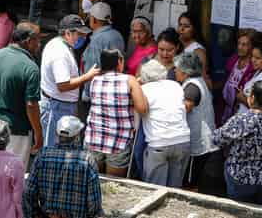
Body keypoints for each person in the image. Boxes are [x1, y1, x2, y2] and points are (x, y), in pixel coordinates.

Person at [213, 80, 262, 207]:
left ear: (252, 98)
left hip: (242, 178)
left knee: (240, 212)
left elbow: (217, 139)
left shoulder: (242, 120)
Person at [0, 22, 43, 170]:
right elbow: (31, 105)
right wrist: (38, 133)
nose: (39, 44)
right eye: (38, 40)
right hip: (17, 132)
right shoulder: (31, 67)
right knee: (12, 179)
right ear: (29, 41)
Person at [23, 116, 103, 218]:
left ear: (57, 134)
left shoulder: (43, 155)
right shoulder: (87, 160)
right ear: (78, 135)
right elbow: (94, 203)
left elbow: (29, 193)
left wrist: (36, 214)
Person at [84, 49, 147, 177]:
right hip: (118, 141)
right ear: (119, 62)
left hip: (94, 138)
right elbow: (142, 109)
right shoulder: (130, 80)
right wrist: (140, 90)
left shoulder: (95, 80)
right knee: (114, 185)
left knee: (94, 181)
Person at [40, 15, 100, 147]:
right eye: (80, 34)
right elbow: (63, 85)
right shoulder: (60, 53)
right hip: (57, 106)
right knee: (53, 147)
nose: (84, 38)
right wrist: (87, 76)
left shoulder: (60, 44)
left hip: (61, 104)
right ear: (67, 33)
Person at [139, 59, 191, 187]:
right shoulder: (175, 85)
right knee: (175, 190)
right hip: (182, 140)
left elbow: (141, 111)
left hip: (159, 142)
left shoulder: (144, 89)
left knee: (155, 189)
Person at [174, 52, 219, 189]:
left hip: (198, 142)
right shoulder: (198, 81)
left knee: (190, 181)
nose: (175, 71)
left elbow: (183, 110)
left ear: (185, 72)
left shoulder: (192, 87)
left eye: (177, 69)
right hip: (203, 139)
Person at [82, 2, 125, 103]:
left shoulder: (97, 40)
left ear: (94, 20)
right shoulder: (117, 35)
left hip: (98, 92)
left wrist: (87, 93)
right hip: (115, 88)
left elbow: (92, 69)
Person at [221, 29, 258, 124]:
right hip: (226, 108)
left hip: (241, 110)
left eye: (244, 44)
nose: (240, 47)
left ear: (252, 47)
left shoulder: (253, 67)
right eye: (239, 43)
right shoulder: (233, 60)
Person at [177, 12, 210, 86]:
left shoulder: (198, 51)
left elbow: (202, 78)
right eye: (180, 25)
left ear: (194, 28)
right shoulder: (176, 44)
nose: (182, 29)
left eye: (187, 26)